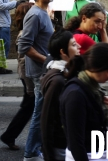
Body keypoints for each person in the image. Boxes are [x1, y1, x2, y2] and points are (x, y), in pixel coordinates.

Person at [60, 43, 108, 161]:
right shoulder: (76, 94)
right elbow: (76, 142)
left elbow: (94, 124)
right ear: (96, 66)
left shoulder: (91, 87)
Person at [18, 0, 55, 161]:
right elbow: (24, 46)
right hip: (40, 72)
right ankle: (31, 153)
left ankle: (41, 147)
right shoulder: (34, 15)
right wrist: (47, 61)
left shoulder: (43, 13)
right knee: (40, 113)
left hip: (45, 70)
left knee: (45, 112)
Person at [40, 30, 80, 161]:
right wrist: (49, 155)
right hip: (60, 147)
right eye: (74, 45)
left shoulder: (65, 72)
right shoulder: (58, 81)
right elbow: (47, 121)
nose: (78, 46)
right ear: (63, 52)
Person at [0, 2, 35, 151]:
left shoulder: (27, 30)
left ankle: (9, 135)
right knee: (29, 107)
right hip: (29, 77)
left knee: (28, 107)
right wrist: (29, 86)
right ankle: (9, 135)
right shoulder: (23, 35)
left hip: (29, 76)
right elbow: (22, 62)